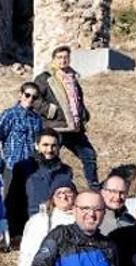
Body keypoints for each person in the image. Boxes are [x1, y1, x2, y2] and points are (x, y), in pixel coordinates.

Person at [32, 45, 99, 190]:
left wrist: (83, 114)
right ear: (53, 60)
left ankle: (94, 188)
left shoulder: (72, 78)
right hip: (56, 127)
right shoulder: (45, 78)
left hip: (74, 127)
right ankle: (38, 183)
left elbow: (76, 100)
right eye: (59, 57)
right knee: (46, 156)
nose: (63, 60)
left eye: (66, 57)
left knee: (89, 155)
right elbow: (35, 99)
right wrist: (50, 110)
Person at [1, 82, 43, 238]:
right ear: (20, 94)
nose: (30, 99)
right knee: (9, 201)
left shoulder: (37, 119)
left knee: (27, 201)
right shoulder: (9, 114)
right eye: (27, 95)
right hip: (12, 165)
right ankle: (6, 236)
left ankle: (21, 234)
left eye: (34, 97)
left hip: (31, 167)